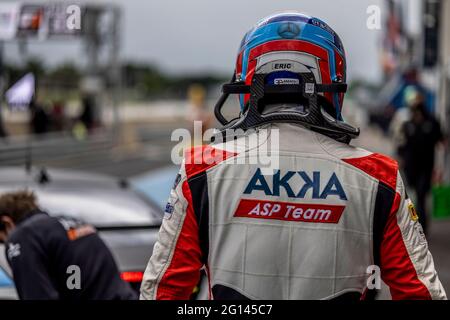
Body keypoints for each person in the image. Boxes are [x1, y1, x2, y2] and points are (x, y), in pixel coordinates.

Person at [140, 12, 446, 300]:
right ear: (332, 79)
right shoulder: (378, 176)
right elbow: (421, 292)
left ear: (247, 78)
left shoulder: (200, 169)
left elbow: (163, 290)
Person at [0, 190, 136, 300]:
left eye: (1, 240)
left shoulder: (22, 236)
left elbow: (37, 294)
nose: (5, 244)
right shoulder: (72, 223)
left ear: (7, 223)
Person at [397, 92, 444, 234]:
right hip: (410, 169)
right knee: (411, 200)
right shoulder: (408, 125)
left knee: (421, 197)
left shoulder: (431, 123)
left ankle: (421, 225)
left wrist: (440, 169)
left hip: (426, 167)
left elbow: (441, 144)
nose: (416, 113)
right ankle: (414, 222)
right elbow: (402, 146)